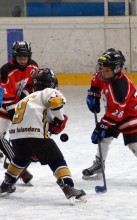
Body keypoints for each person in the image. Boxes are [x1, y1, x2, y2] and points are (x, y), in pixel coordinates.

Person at [0, 68, 87, 205]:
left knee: (20, 158)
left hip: (16, 136)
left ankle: (6, 184)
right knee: (56, 160)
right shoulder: (49, 92)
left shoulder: (27, 97)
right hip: (36, 135)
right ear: (52, 83)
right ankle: (68, 187)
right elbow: (56, 102)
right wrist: (59, 119)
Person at [82, 48, 137, 186]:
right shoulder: (102, 74)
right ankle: (99, 164)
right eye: (102, 69)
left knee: (133, 142)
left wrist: (101, 125)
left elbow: (116, 113)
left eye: (107, 70)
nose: (103, 72)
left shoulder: (119, 87)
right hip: (114, 113)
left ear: (117, 69)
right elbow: (95, 81)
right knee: (104, 139)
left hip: (130, 114)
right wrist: (93, 93)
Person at [0, 41, 38, 184]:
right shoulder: (6, 71)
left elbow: (31, 84)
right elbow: (5, 96)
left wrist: (26, 94)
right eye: (19, 57)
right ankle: (21, 170)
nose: (22, 60)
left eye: (25, 57)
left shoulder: (33, 66)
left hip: (20, 106)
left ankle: (19, 164)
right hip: (3, 106)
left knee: (21, 136)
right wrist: (12, 111)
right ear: (14, 56)